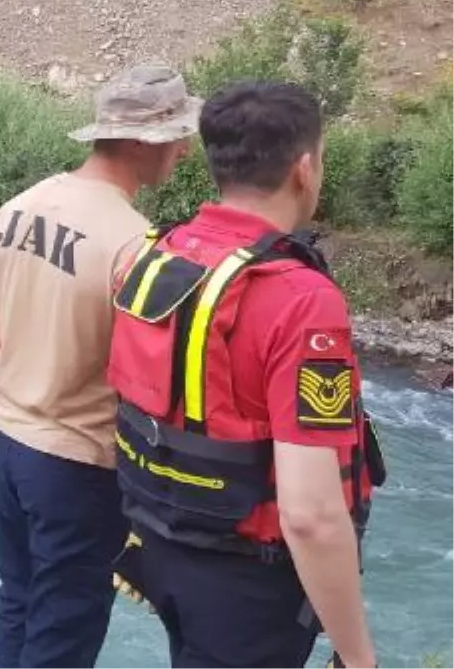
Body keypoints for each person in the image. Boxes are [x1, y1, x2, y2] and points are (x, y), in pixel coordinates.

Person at [107, 81, 386, 669]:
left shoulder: (163, 252)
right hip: (248, 583)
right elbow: (310, 514)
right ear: (305, 168)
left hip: (162, 543)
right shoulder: (301, 298)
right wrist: (360, 658)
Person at [0, 61, 200, 669]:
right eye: (177, 136)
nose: (184, 149)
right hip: (76, 466)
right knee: (64, 628)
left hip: (4, 442)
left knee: (18, 599)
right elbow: (148, 383)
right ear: (138, 143)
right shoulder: (135, 245)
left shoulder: (21, 206)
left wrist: (24, 401)